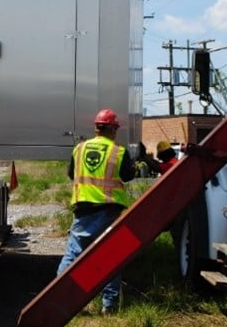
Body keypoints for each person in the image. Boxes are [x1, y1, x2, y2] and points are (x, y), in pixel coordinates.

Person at [57, 108, 136, 315]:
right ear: (112, 129)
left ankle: (60, 297)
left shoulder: (79, 149)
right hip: (109, 210)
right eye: (116, 129)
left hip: (83, 209)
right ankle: (108, 306)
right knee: (110, 256)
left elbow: (71, 174)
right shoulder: (119, 152)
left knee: (73, 255)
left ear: (96, 128)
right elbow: (128, 176)